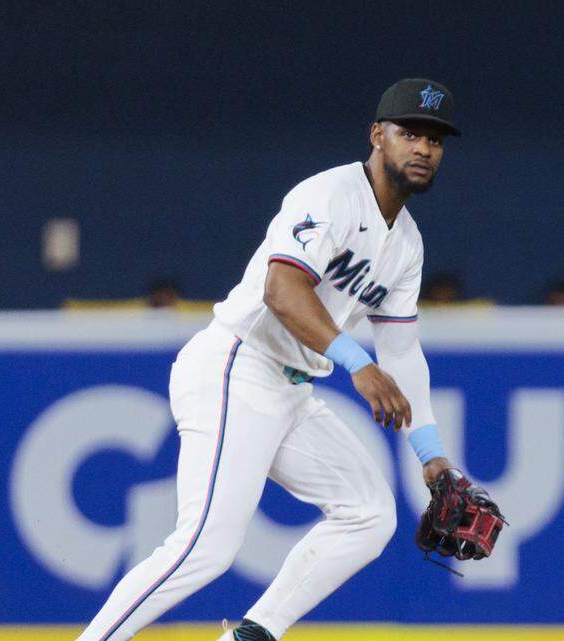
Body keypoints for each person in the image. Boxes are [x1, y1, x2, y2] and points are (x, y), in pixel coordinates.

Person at [76, 79, 469, 641]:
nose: (423, 149)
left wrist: (431, 455)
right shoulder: (329, 196)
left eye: (435, 139)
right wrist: (357, 361)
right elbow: (281, 292)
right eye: (410, 133)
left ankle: (251, 636)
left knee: (370, 514)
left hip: (291, 390)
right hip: (236, 365)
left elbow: (403, 351)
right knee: (204, 546)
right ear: (377, 135)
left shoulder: (406, 242)